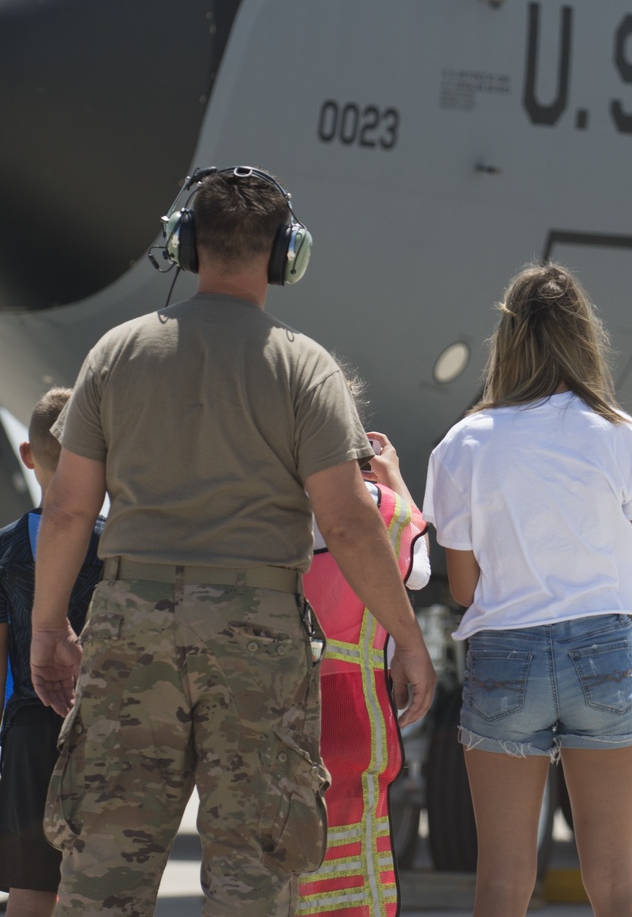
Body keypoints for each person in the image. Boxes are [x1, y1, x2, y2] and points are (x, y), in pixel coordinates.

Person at [29, 165, 436, 917]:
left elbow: (65, 512)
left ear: (185, 247)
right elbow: (346, 522)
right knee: (254, 867)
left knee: (105, 866)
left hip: (130, 621)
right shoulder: (304, 367)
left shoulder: (116, 355)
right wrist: (408, 639)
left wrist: (50, 625)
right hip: (256, 632)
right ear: (287, 254)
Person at [423, 264, 632, 917]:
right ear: (585, 337)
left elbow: (461, 586)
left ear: (507, 341)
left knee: (503, 881)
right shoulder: (623, 434)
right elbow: (624, 557)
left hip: (506, 658)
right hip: (603, 652)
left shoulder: (465, 443)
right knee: (617, 880)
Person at [298, 431, 429, 917]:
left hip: (275, 698)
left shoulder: (263, 500)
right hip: (356, 706)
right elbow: (418, 572)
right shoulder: (387, 510)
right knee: (358, 852)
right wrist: (392, 478)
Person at [0, 390, 103, 917]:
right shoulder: (118, 548)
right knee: (109, 883)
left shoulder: (4, 550)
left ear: (27, 456)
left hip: (27, 733)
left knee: (30, 891)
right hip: (107, 729)